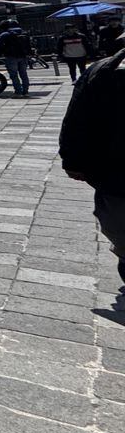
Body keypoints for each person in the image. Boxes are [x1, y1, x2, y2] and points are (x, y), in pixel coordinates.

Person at [61, 42, 125, 291]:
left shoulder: (101, 70)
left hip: (115, 176)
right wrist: (72, 159)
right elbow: (78, 119)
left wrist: (73, 160)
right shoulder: (102, 71)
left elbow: (76, 119)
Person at [0, 18, 33, 97]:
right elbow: (29, 45)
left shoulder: (5, 34)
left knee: (14, 75)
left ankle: (18, 92)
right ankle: (26, 91)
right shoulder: (24, 33)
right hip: (23, 56)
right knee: (24, 74)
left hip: (11, 56)